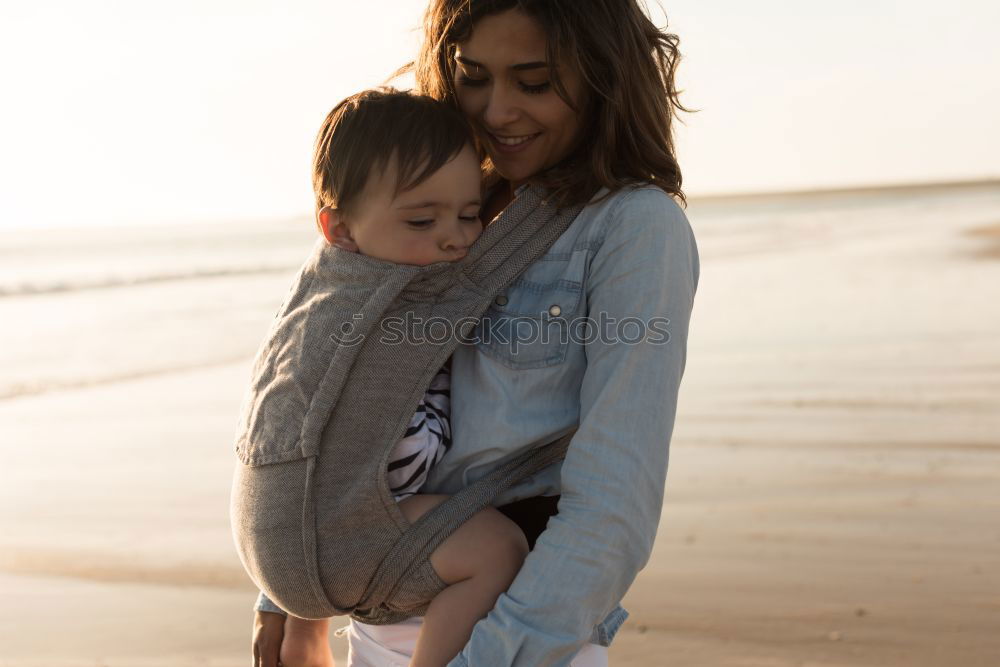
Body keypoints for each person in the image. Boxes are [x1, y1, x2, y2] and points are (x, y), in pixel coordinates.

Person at [253, 0, 700, 664]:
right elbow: (326, 383)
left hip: (510, 632)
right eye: (474, 76)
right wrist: (285, 596)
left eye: (535, 82)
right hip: (378, 614)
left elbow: (615, 501)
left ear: (603, 78)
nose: (496, 111)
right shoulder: (442, 202)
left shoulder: (633, 228)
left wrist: (485, 656)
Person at [249, 88, 549, 667]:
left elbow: (287, 422)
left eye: (470, 215)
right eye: (421, 219)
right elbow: (495, 267)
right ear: (338, 229)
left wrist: (280, 598)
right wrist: (551, 200)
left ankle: (308, 633)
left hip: (288, 540)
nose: (455, 237)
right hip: (340, 537)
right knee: (498, 551)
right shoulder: (390, 294)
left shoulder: (319, 289)